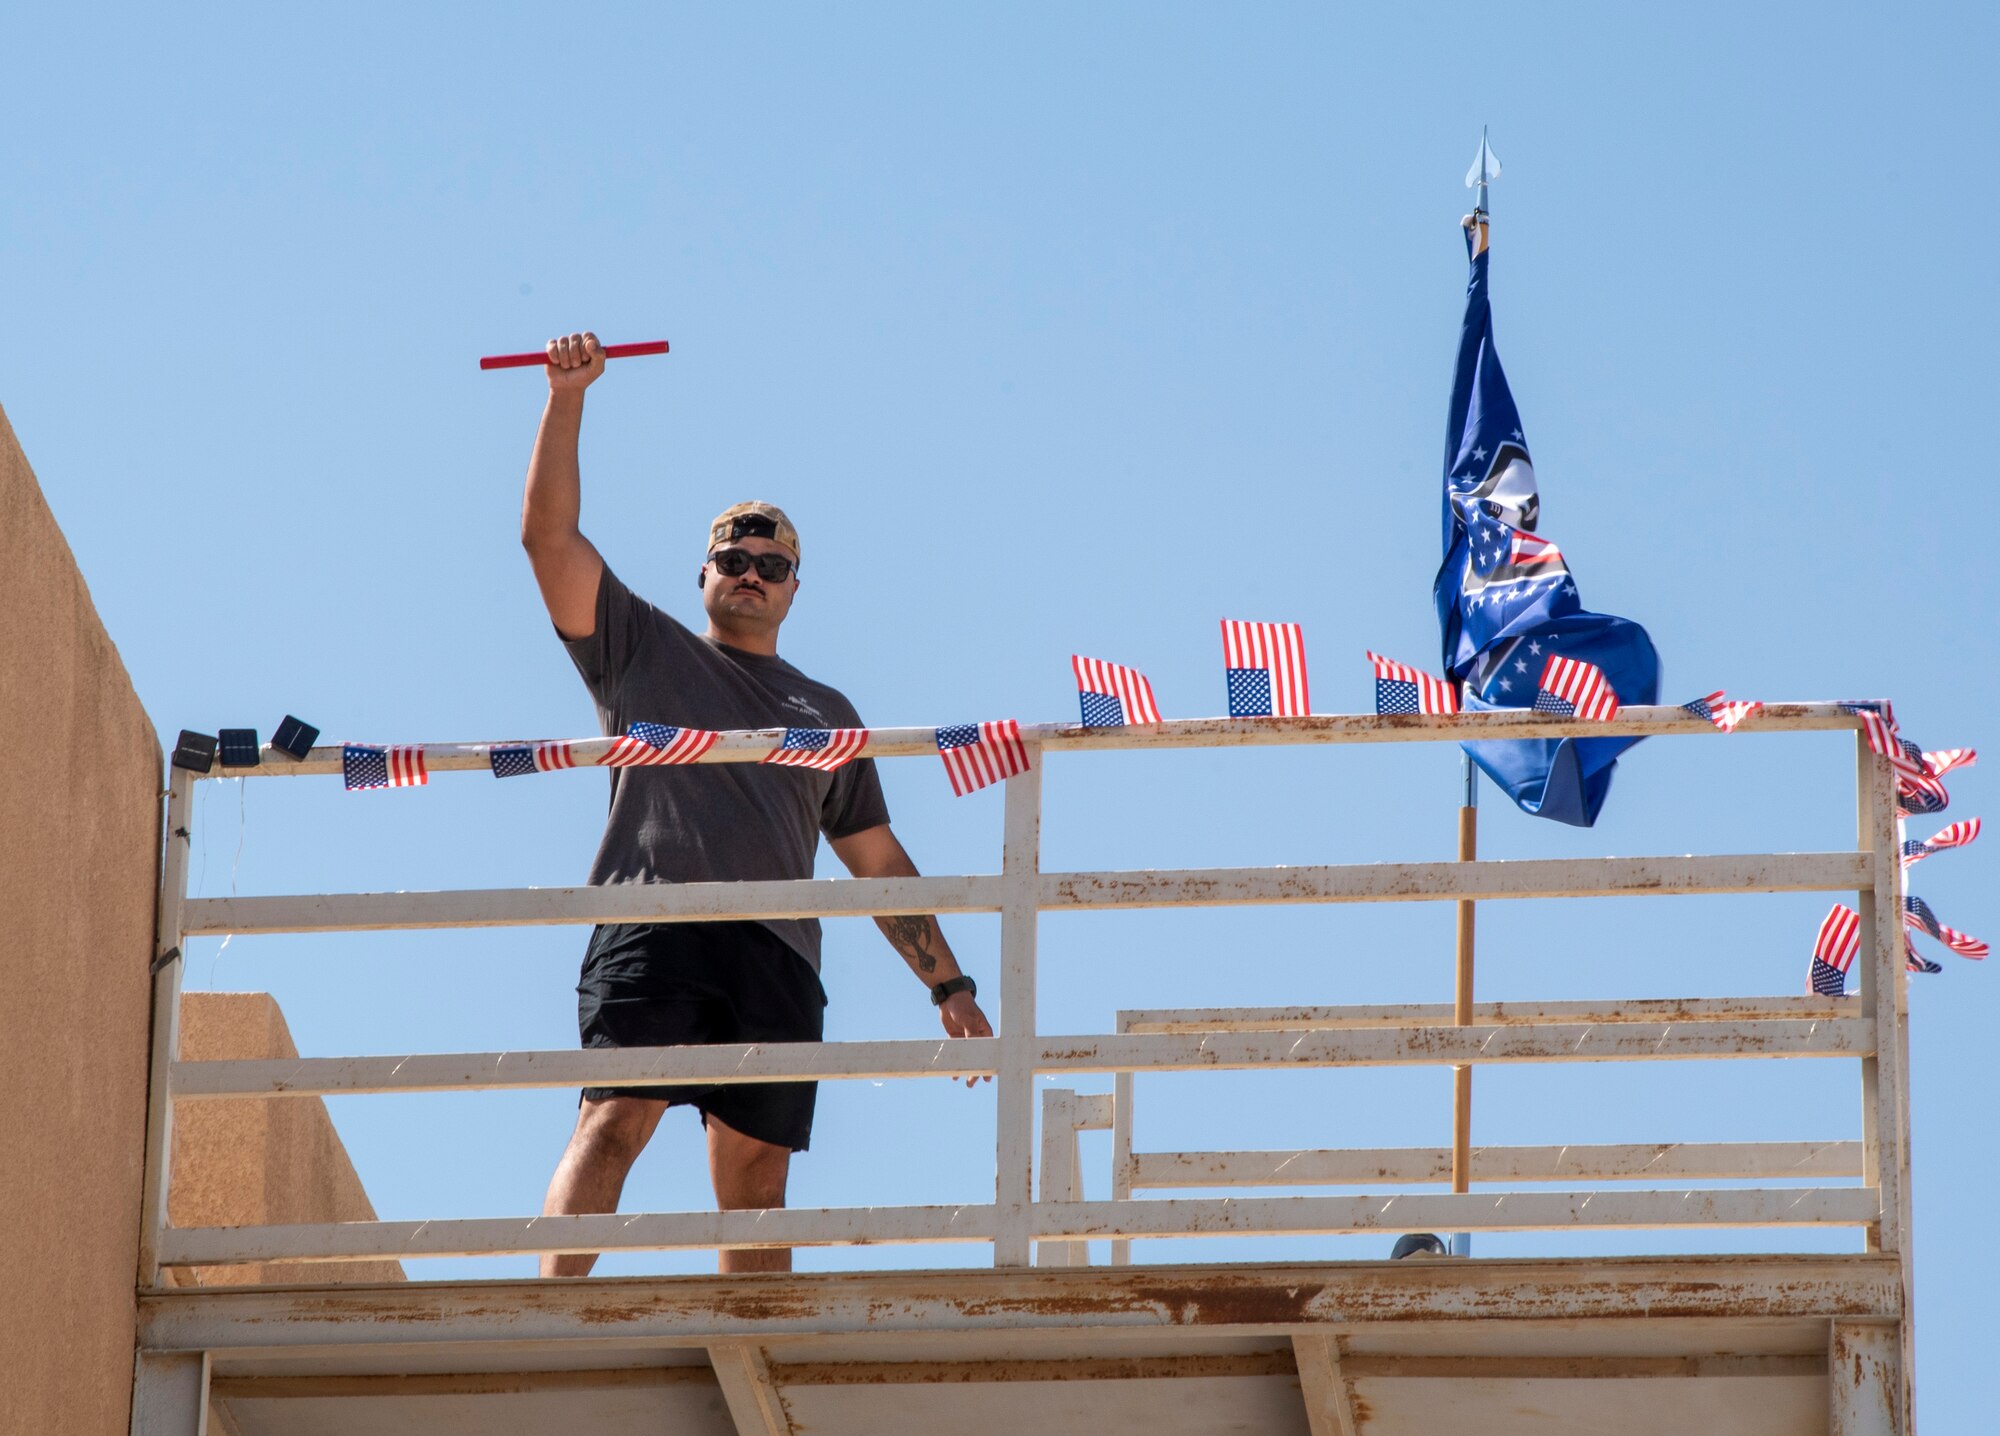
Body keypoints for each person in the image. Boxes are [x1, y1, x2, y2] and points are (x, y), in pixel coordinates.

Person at [520, 330, 993, 1277]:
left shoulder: (829, 712)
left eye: (771, 566)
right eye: (734, 557)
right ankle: (545, 1323)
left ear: (793, 589)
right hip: (655, 918)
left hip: (776, 950)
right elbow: (548, 539)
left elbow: (877, 860)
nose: (750, 572)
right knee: (614, 1119)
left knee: (756, 1176)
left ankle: (755, 1359)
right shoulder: (641, 648)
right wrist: (568, 395)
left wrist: (950, 986)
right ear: (703, 574)